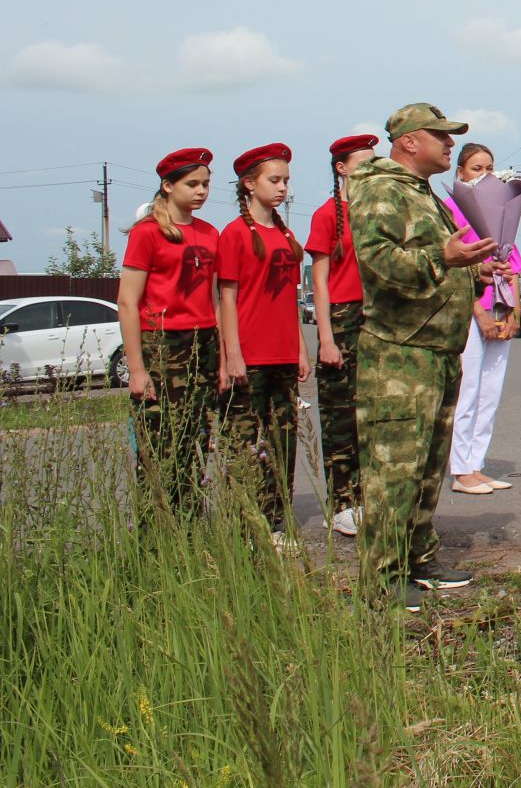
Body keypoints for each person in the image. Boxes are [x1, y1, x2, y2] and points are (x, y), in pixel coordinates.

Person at [349, 103, 496, 609]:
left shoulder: (420, 193)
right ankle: (381, 579)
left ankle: (416, 558)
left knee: (428, 464)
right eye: (441, 136)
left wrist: (469, 270)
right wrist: (444, 258)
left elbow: (431, 259)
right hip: (398, 353)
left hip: (434, 348)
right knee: (394, 469)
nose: (450, 144)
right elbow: (379, 260)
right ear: (409, 140)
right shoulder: (380, 188)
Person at [119, 148, 234, 516]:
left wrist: (222, 357)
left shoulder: (209, 233)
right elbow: (127, 302)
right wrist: (137, 369)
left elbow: (215, 297)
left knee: (196, 438)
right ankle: (156, 535)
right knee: (160, 442)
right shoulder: (148, 233)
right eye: (192, 184)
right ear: (168, 186)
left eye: (206, 184)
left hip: (203, 342)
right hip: (162, 343)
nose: (201, 191)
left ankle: (189, 524)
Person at [217, 143, 307, 550]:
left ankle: (277, 522)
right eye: (274, 180)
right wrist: (231, 352)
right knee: (247, 444)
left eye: (286, 180)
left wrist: (302, 349)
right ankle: (248, 526)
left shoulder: (286, 234)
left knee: (283, 441)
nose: (282, 187)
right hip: (250, 355)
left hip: (284, 353)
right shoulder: (235, 234)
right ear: (249, 184)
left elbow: (290, 298)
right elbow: (227, 298)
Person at [306, 134, 379, 536]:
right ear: (342, 168)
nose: (370, 168)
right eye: (363, 162)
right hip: (342, 315)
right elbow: (320, 282)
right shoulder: (326, 215)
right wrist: (327, 338)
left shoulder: (376, 213)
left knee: (370, 414)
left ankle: (368, 497)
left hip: (375, 318)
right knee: (339, 416)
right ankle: (342, 503)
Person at [445, 143, 521, 495]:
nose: (484, 174)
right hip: (470, 311)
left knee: (491, 390)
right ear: (460, 173)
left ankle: (477, 462)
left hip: (500, 306)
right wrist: (479, 314)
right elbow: (455, 270)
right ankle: (460, 468)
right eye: (476, 168)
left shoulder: (502, 212)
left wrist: (513, 311)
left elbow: (513, 266)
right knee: (469, 388)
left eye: (489, 168)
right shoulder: (452, 211)